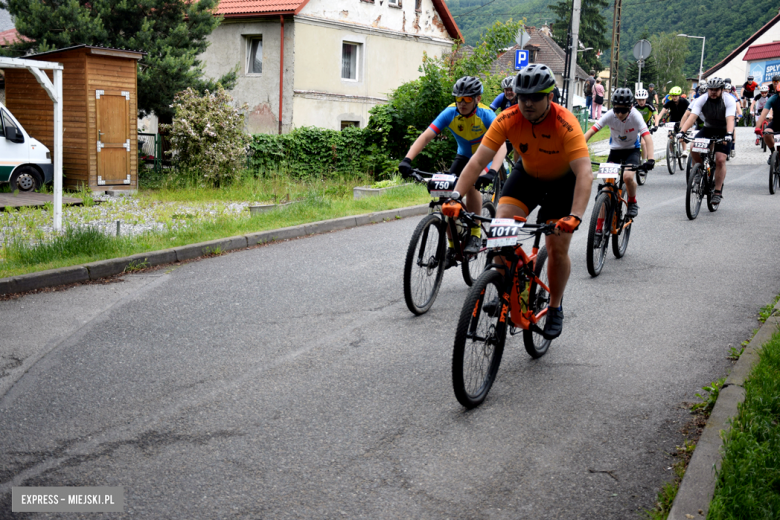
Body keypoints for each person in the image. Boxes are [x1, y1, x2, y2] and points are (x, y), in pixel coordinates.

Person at [444, 64, 592, 340]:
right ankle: (508, 287)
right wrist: (455, 196)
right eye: (523, 96)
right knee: (501, 229)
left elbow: (584, 172)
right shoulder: (508, 118)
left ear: (551, 97)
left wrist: (575, 215)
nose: (527, 102)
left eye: (536, 97)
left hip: (562, 184)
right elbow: (477, 161)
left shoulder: (565, 122)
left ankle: (555, 306)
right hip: (527, 177)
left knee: (556, 247)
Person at [399, 76, 507, 260]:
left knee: (471, 183)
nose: (461, 103)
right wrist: (407, 159)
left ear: (477, 99)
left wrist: (492, 172)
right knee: (445, 196)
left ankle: (474, 233)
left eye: (466, 99)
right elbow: (426, 136)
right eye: (458, 99)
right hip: (464, 155)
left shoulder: (486, 114)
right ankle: (452, 245)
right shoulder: (450, 112)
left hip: (484, 158)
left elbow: (502, 146)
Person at [585, 88, 655, 218]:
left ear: (630, 107)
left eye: (624, 110)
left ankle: (632, 202)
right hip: (615, 151)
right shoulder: (610, 115)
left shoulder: (636, 115)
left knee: (627, 177)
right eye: (617, 110)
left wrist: (650, 159)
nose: (620, 114)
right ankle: (599, 229)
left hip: (632, 150)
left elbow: (647, 138)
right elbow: (590, 133)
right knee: (606, 186)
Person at [678, 77, 736, 206]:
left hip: (724, 130)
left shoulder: (729, 100)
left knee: (720, 159)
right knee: (693, 147)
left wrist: (729, 134)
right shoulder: (701, 99)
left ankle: (717, 191)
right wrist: (682, 132)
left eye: (716, 90)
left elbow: (730, 119)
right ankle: (698, 170)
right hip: (708, 128)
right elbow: (692, 117)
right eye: (711, 90)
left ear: (722, 90)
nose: (713, 92)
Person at [655, 86, 691, 157]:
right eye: (673, 96)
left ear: (679, 95)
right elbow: (661, 113)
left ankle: (684, 151)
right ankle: (671, 152)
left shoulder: (684, 101)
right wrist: (657, 121)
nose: (674, 97)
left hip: (682, 121)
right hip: (672, 121)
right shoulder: (669, 103)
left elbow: (690, 110)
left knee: (681, 137)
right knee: (670, 136)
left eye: (676, 96)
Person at [754, 84, 780, 161]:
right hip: (776, 123)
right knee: (766, 133)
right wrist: (757, 127)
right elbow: (763, 114)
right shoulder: (773, 99)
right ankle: (772, 152)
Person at [633, 88, 658, 161]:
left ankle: (644, 162)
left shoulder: (649, 105)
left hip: (646, 125)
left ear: (646, 99)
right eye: (639, 100)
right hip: (636, 125)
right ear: (636, 100)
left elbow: (656, 116)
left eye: (643, 100)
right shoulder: (634, 106)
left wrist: (656, 126)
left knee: (643, 143)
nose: (641, 102)